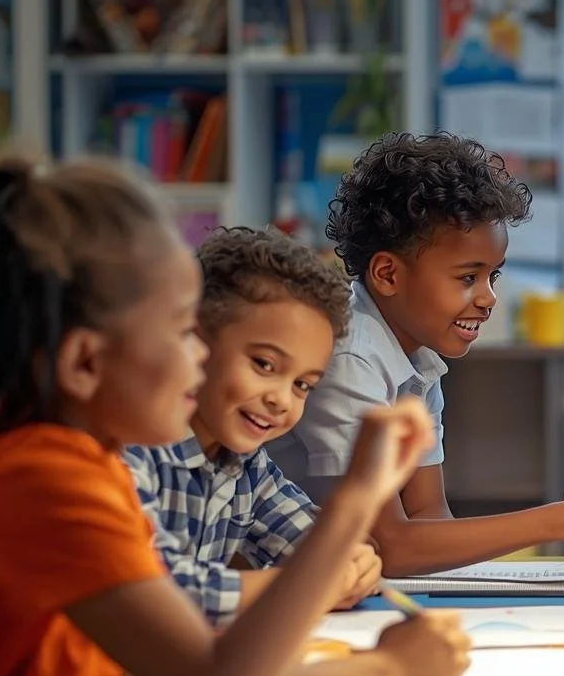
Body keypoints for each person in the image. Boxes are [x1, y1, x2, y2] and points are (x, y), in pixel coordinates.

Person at [0, 155, 468, 676]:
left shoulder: (85, 463)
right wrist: (388, 664)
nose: (200, 356)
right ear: (86, 362)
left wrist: (384, 664)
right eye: (180, 332)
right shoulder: (42, 478)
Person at [265, 131, 564, 573]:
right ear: (388, 274)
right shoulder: (349, 358)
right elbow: (390, 544)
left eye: (493, 277)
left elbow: (429, 514)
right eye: (468, 278)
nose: (488, 298)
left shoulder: (418, 360)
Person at [124, 227, 379, 626]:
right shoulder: (131, 452)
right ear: (195, 344)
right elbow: (158, 592)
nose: (281, 399)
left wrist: (353, 561)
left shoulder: (248, 467)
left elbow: (315, 544)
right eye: (264, 364)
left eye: (302, 385)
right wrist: (307, 584)